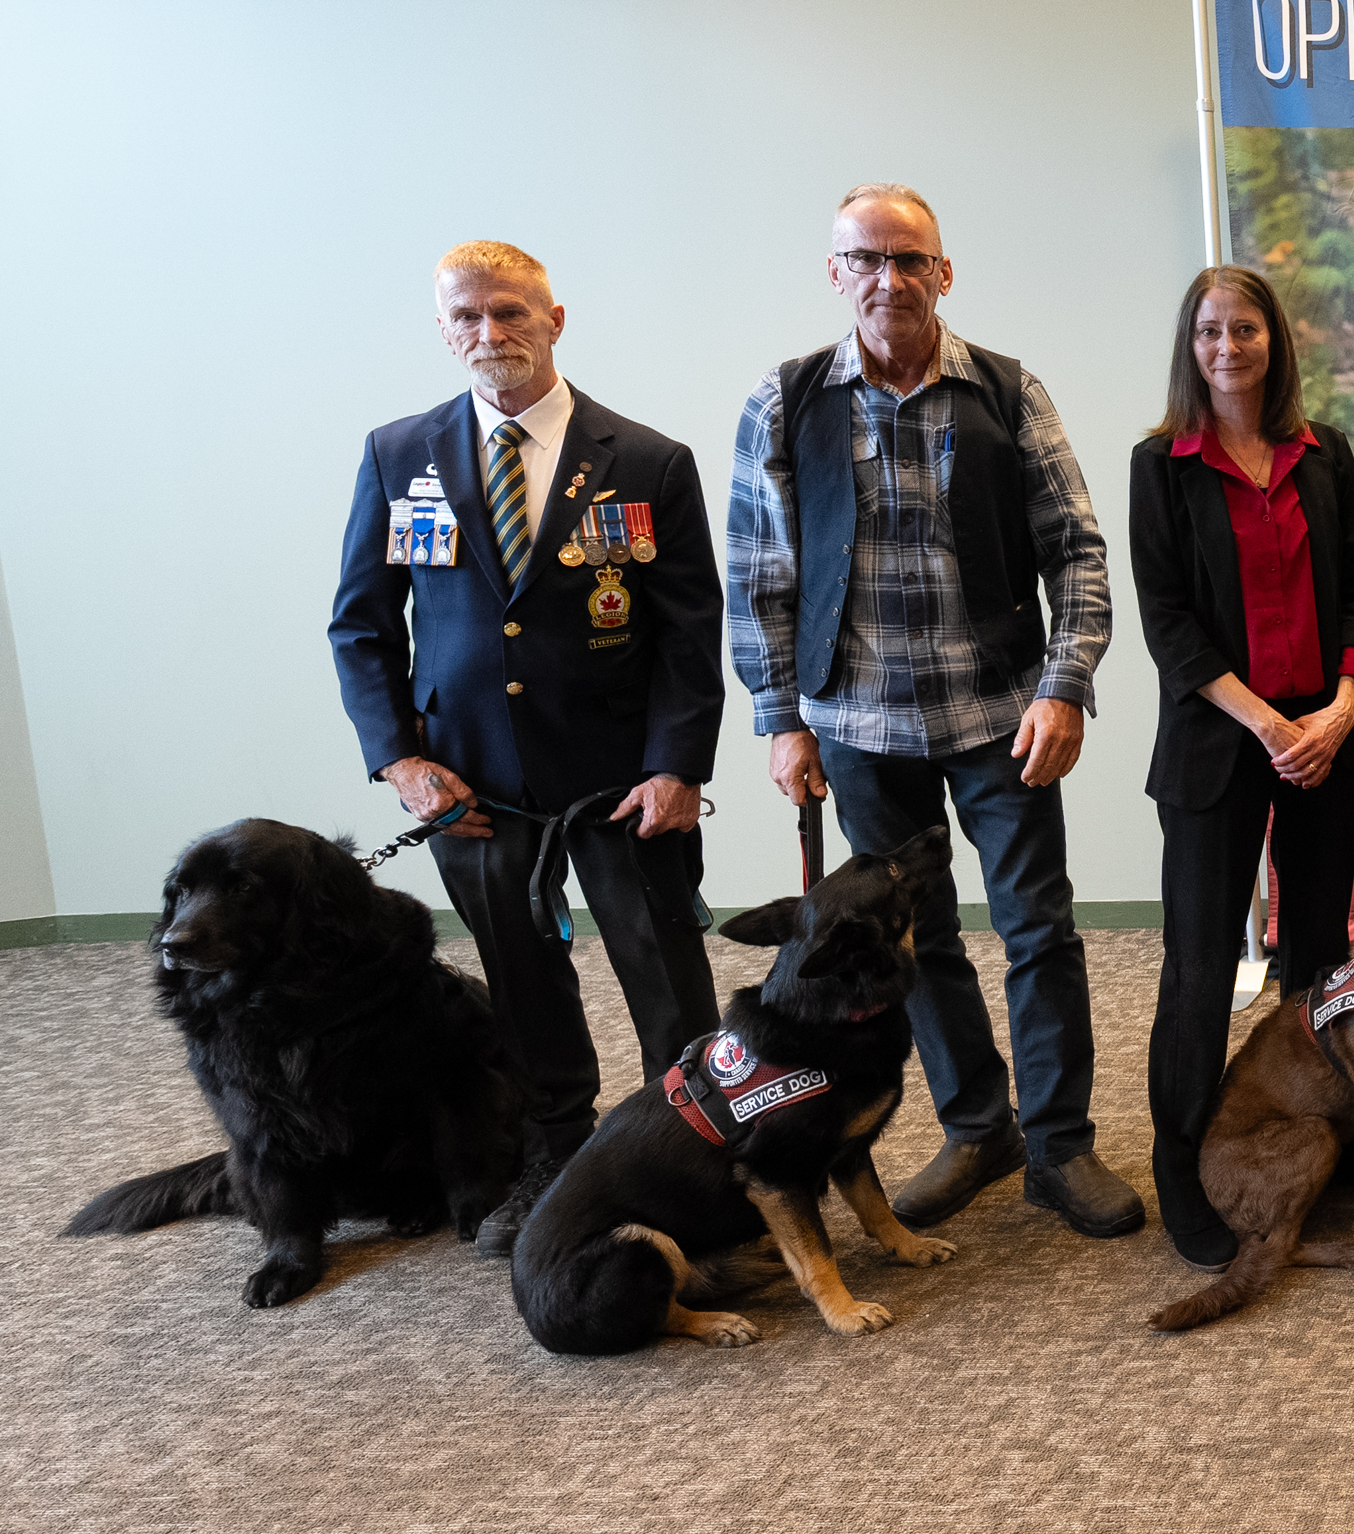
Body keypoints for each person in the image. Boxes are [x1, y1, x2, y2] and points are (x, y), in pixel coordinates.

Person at [725, 183, 1136, 1238]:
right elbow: (759, 576)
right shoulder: (784, 402)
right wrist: (781, 717)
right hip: (857, 729)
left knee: (1038, 930)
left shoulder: (1005, 390)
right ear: (835, 273)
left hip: (1001, 717)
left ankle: (1058, 1145)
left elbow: (1076, 552)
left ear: (943, 272)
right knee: (919, 946)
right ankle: (976, 1128)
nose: (887, 278)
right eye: (865, 258)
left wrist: (1065, 685)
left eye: (910, 259)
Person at [330, 240, 723, 1253]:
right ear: (443, 329)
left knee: (666, 979)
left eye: (508, 313)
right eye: (466, 318)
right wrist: (399, 760)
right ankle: (557, 1157)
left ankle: (700, 1160)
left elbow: (687, 633)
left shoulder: (646, 461)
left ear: (555, 318)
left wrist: (678, 765)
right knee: (522, 984)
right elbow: (364, 627)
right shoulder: (396, 454)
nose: (488, 335)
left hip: (620, 786)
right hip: (472, 789)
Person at [1127, 265, 1354, 1269]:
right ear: (1189, 348)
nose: (1226, 347)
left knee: (1318, 954)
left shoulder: (1321, 456)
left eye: (1244, 329)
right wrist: (1265, 725)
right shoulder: (1162, 465)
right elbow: (1169, 625)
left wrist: (1338, 707)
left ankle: (1317, 1133)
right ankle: (1184, 1164)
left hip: (1326, 740)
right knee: (1197, 967)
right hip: (1217, 748)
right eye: (1207, 332)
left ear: (1273, 340)